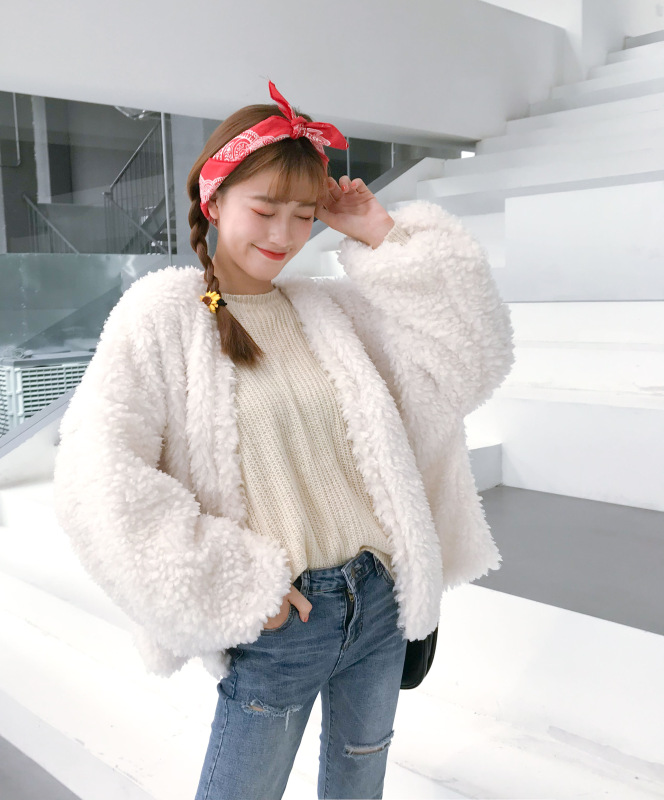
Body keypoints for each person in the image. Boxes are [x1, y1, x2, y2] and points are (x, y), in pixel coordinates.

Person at [52, 80, 515, 800]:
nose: (284, 234)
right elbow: (97, 476)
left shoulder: (329, 312)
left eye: (303, 215)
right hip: (283, 619)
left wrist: (380, 235)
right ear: (213, 201)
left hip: (380, 600)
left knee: (359, 785)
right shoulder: (164, 315)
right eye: (265, 209)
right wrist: (237, 585)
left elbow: (468, 360)